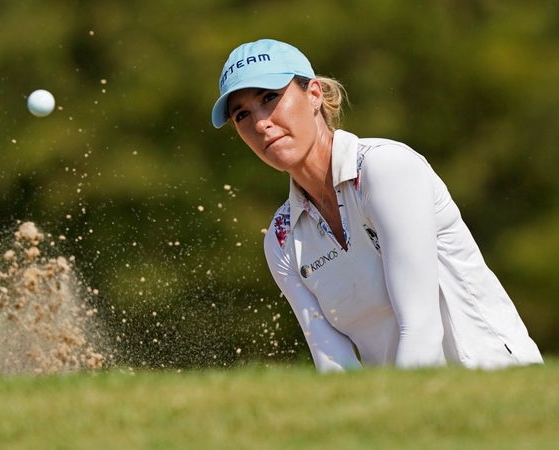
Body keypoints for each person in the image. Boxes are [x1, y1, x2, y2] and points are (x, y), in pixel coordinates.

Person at [211, 39, 544, 372]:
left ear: (313, 94)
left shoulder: (384, 169)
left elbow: (420, 326)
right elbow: (332, 359)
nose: (260, 123)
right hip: (406, 404)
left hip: (495, 384)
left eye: (270, 98)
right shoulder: (281, 239)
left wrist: (397, 416)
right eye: (242, 115)